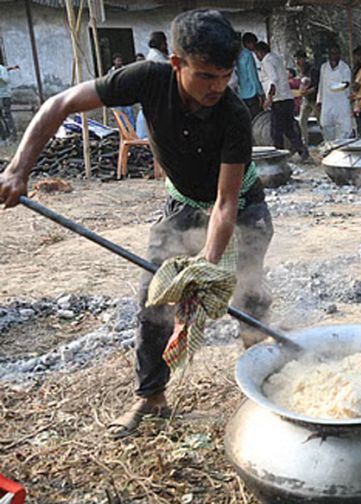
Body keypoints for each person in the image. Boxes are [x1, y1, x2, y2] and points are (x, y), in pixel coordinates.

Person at [0, 9, 274, 438]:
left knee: (247, 298)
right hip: (182, 205)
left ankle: (268, 390)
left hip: (242, 208)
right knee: (154, 298)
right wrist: (19, 169)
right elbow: (59, 104)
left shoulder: (233, 115)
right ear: (177, 64)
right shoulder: (145, 78)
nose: (217, 88)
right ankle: (151, 397)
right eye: (206, 76)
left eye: (224, 76)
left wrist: (205, 266)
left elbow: (224, 203)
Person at [254, 41, 309, 161]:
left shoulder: (267, 61)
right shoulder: (275, 58)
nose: (257, 57)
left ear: (260, 52)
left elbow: (273, 80)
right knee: (288, 128)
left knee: (276, 131)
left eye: (256, 53)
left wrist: (268, 99)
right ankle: (301, 150)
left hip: (279, 100)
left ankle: (278, 157)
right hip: (287, 98)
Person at [317, 45, 353, 142]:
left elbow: (347, 83)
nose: (334, 56)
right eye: (332, 54)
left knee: (344, 129)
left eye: (336, 54)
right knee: (326, 126)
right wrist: (319, 100)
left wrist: (341, 86)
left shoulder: (344, 67)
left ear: (339, 55)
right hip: (327, 102)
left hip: (341, 102)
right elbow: (321, 84)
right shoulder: (324, 67)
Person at [235, 32, 264, 119]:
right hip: (251, 93)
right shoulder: (247, 55)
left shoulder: (235, 55)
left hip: (240, 95)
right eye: (254, 44)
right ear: (247, 43)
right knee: (257, 120)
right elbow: (252, 75)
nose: (255, 46)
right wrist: (260, 92)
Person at [295, 50, 321, 147]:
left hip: (314, 99)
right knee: (302, 121)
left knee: (320, 122)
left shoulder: (312, 70)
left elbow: (316, 86)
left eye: (299, 59)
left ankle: (327, 142)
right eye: (297, 59)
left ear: (304, 59)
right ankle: (304, 144)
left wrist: (307, 91)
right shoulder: (301, 71)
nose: (298, 62)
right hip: (305, 99)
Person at [107, 54, 135, 129]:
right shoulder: (110, 72)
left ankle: (132, 128)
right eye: (117, 60)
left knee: (129, 112)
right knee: (120, 113)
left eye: (120, 60)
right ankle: (123, 129)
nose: (119, 62)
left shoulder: (125, 69)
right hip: (116, 96)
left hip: (126, 94)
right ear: (114, 61)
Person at [0, 62, 20, 141]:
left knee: (6, 115)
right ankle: (4, 136)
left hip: (4, 95)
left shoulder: (2, 69)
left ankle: (13, 136)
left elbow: (6, 80)